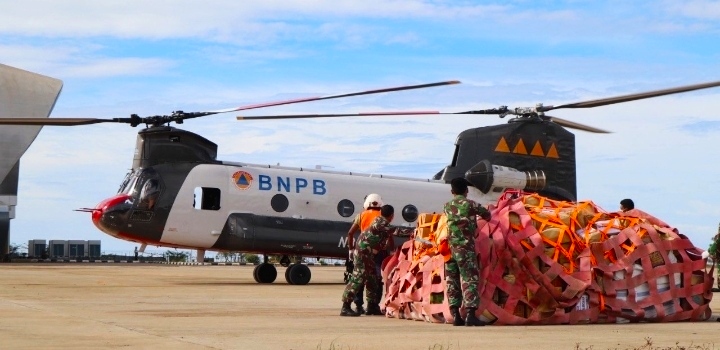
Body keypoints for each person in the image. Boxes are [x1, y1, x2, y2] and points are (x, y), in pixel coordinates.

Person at [340, 204, 413, 317]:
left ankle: (372, 306)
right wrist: (414, 231)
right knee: (358, 278)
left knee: (372, 279)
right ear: (392, 216)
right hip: (363, 253)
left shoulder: (380, 221)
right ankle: (345, 306)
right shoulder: (381, 223)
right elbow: (396, 231)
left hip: (368, 253)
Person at [444, 177, 491, 327]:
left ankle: (456, 315)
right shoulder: (470, 204)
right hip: (465, 249)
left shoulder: (447, 206)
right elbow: (487, 215)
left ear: (452, 191)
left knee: (452, 282)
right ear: (467, 190)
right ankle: (470, 315)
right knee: (470, 279)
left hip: (450, 250)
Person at [345, 193, 384, 314]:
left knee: (359, 277)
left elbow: (350, 233)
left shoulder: (361, 215)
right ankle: (373, 306)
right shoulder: (382, 216)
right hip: (378, 251)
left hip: (362, 249)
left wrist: (351, 249)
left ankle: (358, 305)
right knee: (376, 279)